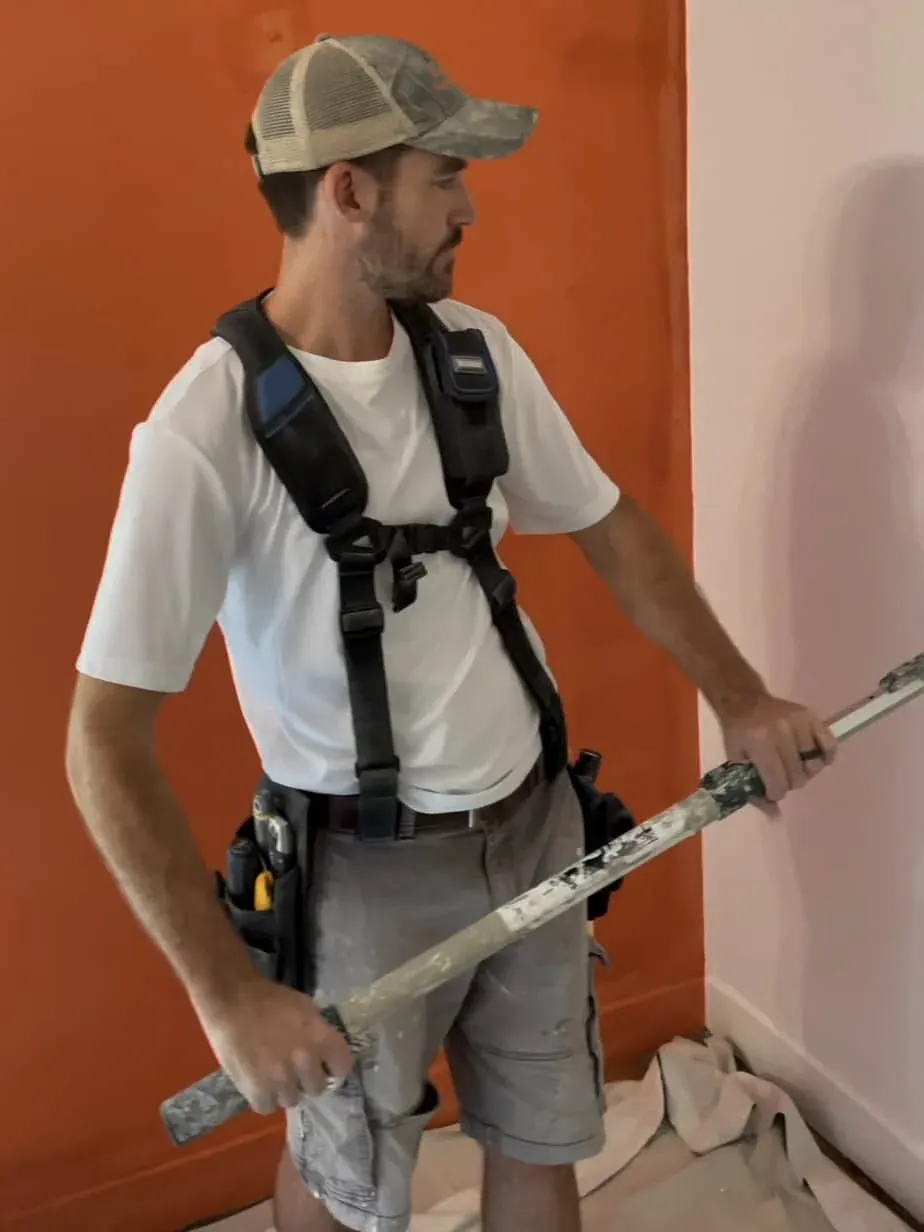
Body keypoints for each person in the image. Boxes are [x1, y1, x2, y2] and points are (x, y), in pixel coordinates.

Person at [65, 32, 837, 1232]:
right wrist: (228, 995)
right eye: (444, 177)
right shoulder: (202, 429)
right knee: (346, 1176)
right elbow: (102, 740)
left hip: (535, 826)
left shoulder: (474, 355)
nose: (468, 206)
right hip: (357, 881)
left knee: (545, 1135)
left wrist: (742, 697)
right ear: (351, 192)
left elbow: (614, 528)